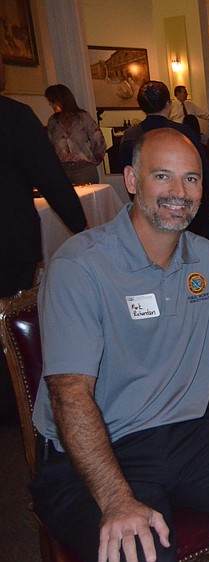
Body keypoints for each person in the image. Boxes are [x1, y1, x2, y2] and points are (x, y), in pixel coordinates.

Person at [29, 128, 209, 561]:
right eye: (163, 176)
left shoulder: (205, 259)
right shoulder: (81, 266)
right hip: (95, 451)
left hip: (187, 436)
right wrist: (116, 500)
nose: (179, 192)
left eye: (192, 179)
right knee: (140, 551)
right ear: (130, 180)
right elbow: (69, 395)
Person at [0, 54, 86, 423]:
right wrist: (82, 230)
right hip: (8, 242)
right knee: (9, 324)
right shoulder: (14, 116)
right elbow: (50, 179)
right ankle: (11, 406)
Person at [120, 81, 209, 241]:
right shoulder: (182, 134)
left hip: (146, 214)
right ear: (168, 104)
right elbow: (203, 168)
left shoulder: (129, 136)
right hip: (184, 215)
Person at [44, 84, 106, 185]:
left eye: (53, 101)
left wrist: (93, 160)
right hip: (62, 170)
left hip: (83, 169)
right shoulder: (53, 122)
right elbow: (50, 146)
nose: (51, 104)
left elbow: (99, 141)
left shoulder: (83, 118)